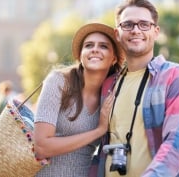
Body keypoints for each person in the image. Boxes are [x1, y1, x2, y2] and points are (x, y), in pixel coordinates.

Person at [90, 0, 179, 177]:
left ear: (156, 32)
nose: (136, 30)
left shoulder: (175, 76)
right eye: (128, 24)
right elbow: (100, 147)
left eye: (144, 24)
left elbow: (177, 143)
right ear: (117, 33)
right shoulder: (108, 84)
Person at [33, 23, 124, 177]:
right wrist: (99, 131)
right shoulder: (59, 81)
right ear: (81, 55)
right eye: (88, 45)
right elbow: (41, 147)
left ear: (114, 58)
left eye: (103, 46)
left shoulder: (115, 93)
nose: (95, 49)